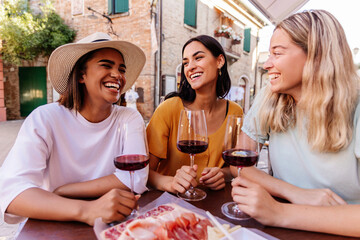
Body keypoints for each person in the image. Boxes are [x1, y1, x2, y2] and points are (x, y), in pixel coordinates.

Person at [230, 10, 360, 237]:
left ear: (316, 55)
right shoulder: (269, 96)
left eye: (277, 53)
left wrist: (279, 212)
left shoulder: (356, 106)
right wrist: (295, 193)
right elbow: (239, 165)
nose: (267, 64)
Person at [0, 32, 148, 226]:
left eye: (121, 69)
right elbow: (10, 191)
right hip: (54, 223)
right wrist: (87, 210)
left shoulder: (129, 117)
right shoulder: (45, 118)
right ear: (81, 75)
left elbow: (136, 178)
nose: (118, 75)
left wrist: (66, 190)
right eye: (106, 65)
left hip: (115, 220)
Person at [146, 35, 243, 194]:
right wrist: (169, 183)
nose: (190, 67)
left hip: (212, 206)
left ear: (219, 61)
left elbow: (234, 166)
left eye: (198, 58)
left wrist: (223, 175)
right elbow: (143, 172)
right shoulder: (169, 109)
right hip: (170, 204)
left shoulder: (234, 112)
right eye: (185, 63)